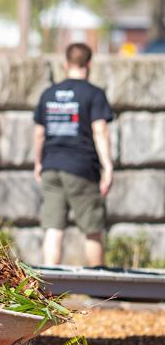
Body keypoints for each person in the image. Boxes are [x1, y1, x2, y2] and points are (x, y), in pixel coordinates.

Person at [33, 42, 114, 267]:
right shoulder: (94, 94)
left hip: (51, 167)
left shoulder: (48, 94)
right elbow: (100, 130)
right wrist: (107, 166)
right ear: (89, 64)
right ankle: (98, 290)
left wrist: (38, 163)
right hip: (81, 169)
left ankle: (49, 291)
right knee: (92, 230)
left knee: (53, 229)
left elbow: (39, 133)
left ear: (65, 64)